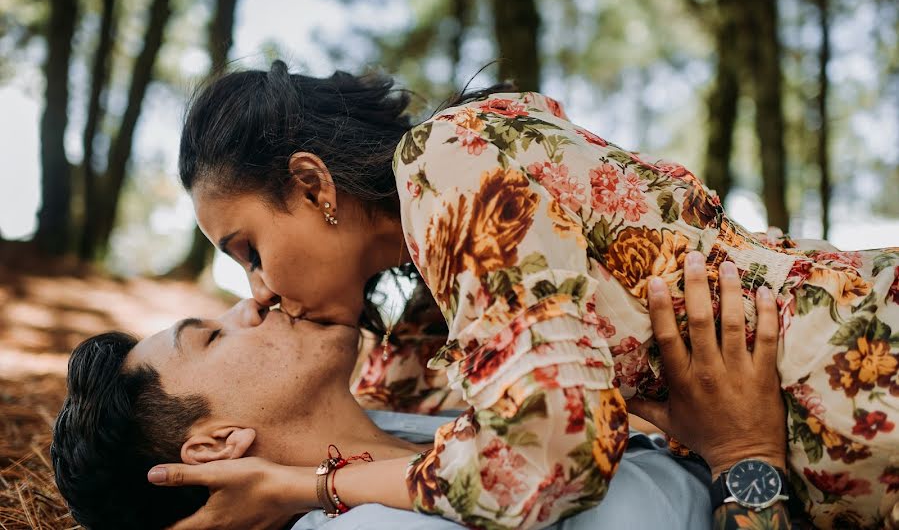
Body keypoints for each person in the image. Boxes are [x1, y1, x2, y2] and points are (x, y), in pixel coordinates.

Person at [166, 63, 898, 528]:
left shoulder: (446, 159)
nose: (258, 291)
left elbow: (544, 452)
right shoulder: (431, 307)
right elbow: (376, 421)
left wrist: (315, 487)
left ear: (311, 185)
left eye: (249, 251)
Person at [52, 261, 776, 530]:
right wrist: (747, 461)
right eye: (209, 338)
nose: (252, 300)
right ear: (213, 444)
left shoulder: (397, 420)